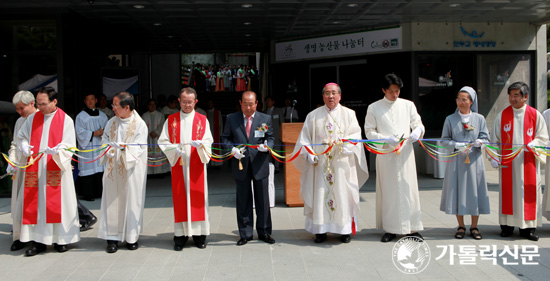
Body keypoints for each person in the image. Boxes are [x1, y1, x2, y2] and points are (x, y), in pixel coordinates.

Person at [293, 83, 369, 243]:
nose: (331, 96)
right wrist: (309, 154)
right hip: (320, 166)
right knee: (321, 194)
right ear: (323, 96)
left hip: (341, 165)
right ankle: (320, 231)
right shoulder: (313, 116)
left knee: (342, 195)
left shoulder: (349, 114)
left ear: (340, 96)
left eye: (334, 93)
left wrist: (349, 147)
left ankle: (344, 230)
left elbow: (356, 135)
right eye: (327, 93)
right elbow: (304, 139)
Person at [15, 86, 80, 256]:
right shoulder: (32, 118)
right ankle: (39, 241)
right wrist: (24, 146)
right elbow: (21, 136)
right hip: (35, 169)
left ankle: (61, 239)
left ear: (54, 101)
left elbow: (70, 145)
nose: (40, 107)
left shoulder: (65, 120)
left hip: (55, 168)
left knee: (59, 203)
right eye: (38, 103)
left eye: (44, 104)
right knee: (38, 205)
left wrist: (59, 150)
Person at [364, 74, 425, 243]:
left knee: (408, 190)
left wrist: (417, 132)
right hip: (386, 155)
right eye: (391, 91)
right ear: (384, 90)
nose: (395, 95)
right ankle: (390, 229)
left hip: (405, 155)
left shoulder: (408, 105)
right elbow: (369, 131)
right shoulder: (374, 107)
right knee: (389, 192)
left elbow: (418, 124)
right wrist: (384, 138)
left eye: (397, 91)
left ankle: (411, 228)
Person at [490, 82, 548, 241]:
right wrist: (494, 157)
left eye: (516, 95)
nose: (512, 98)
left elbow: (543, 138)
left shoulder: (535, 115)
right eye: (510, 95)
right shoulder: (502, 115)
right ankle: (507, 227)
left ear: (525, 97)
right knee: (509, 193)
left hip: (528, 163)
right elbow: (494, 140)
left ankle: (528, 229)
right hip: (508, 164)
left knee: (527, 195)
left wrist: (534, 144)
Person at [158, 87, 213, 250]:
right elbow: (163, 141)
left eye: (190, 102)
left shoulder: (202, 120)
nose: (187, 105)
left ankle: (199, 236)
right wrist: (173, 149)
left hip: (197, 166)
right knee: (181, 198)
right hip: (180, 165)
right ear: (179, 101)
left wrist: (202, 145)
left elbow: (209, 141)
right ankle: (180, 236)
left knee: (198, 200)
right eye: (184, 102)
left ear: (195, 102)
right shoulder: (171, 120)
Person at [221, 91, 275, 246]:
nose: (248, 107)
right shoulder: (232, 118)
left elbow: (270, 138)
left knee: (263, 200)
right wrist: (232, 150)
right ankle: (245, 233)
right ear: (240, 103)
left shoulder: (265, 119)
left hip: (259, 162)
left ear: (256, 103)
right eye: (245, 104)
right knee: (243, 199)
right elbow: (225, 138)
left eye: (251, 104)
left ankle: (264, 231)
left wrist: (267, 147)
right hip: (240, 163)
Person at [98, 91, 148, 253]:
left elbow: (140, 147)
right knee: (112, 202)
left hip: (131, 170)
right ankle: (112, 238)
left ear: (127, 107)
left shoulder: (139, 124)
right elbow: (104, 139)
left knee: (132, 201)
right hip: (113, 169)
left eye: (115, 105)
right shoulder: (111, 122)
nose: (112, 108)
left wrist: (125, 150)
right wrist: (109, 150)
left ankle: (131, 237)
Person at [439, 86, 490, 240]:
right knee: (458, 190)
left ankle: (474, 226)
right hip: (456, 161)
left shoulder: (479, 118)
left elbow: (486, 138)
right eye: (459, 99)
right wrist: (456, 144)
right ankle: (461, 225)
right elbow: (444, 140)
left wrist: (480, 142)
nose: (461, 102)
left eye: (464, 99)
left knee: (475, 191)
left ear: (471, 101)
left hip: (474, 161)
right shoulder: (450, 119)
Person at [7, 91, 37, 251]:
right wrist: (11, 160)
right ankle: (19, 236)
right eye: (17, 108)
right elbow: (14, 143)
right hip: (20, 168)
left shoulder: (40, 119)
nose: (19, 111)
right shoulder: (19, 121)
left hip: (34, 168)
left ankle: (32, 237)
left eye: (21, 108)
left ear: (32, 103)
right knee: (19, 203)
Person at [75, 92, 108, 201]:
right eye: (88, 99)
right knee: (89, 169)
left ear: (96, 100)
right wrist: (93, 133)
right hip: (88, 148)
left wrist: (103, 133)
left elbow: (108, 130)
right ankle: (88, 194)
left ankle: (99, 192)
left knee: (100, 168)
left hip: (99, 146)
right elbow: (79, 132)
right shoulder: (81, 116)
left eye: (92, 99)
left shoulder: (102, 116)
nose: (90, 102)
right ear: (84, 101)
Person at [141, 99, 169, 175]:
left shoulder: (160, 115)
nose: (152, 106)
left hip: (158, 138)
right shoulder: (144, 115)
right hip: (148, 138)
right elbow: (143, 126)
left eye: (154, 104)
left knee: (158, 154)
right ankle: (149, 172)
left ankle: (159, 172)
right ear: (147, 106)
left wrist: (156, 132)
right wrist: (150, 132)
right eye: (150, 104)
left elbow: (162, 125)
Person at [264, 96, 284, 172]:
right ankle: (270, 166)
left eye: (269, 101)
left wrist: (281, 134)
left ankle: (277, 167)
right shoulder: (265, 112)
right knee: (268, 150)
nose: (267, 102)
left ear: (273, 102)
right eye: (266, 101)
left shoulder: (278, 111)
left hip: (276, 134)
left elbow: (282, 123)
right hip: (267, 135)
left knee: (277, 151)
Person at [206, 99, 223, 167]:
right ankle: (209, 163)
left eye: (211, 103)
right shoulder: (205, 112)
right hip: (208, 133)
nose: (210, 105)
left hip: (215, 132)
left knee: (216, 147)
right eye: (209, 103)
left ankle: (217, 163)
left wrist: (221, 133)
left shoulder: (217, 112)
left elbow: (220, 123)